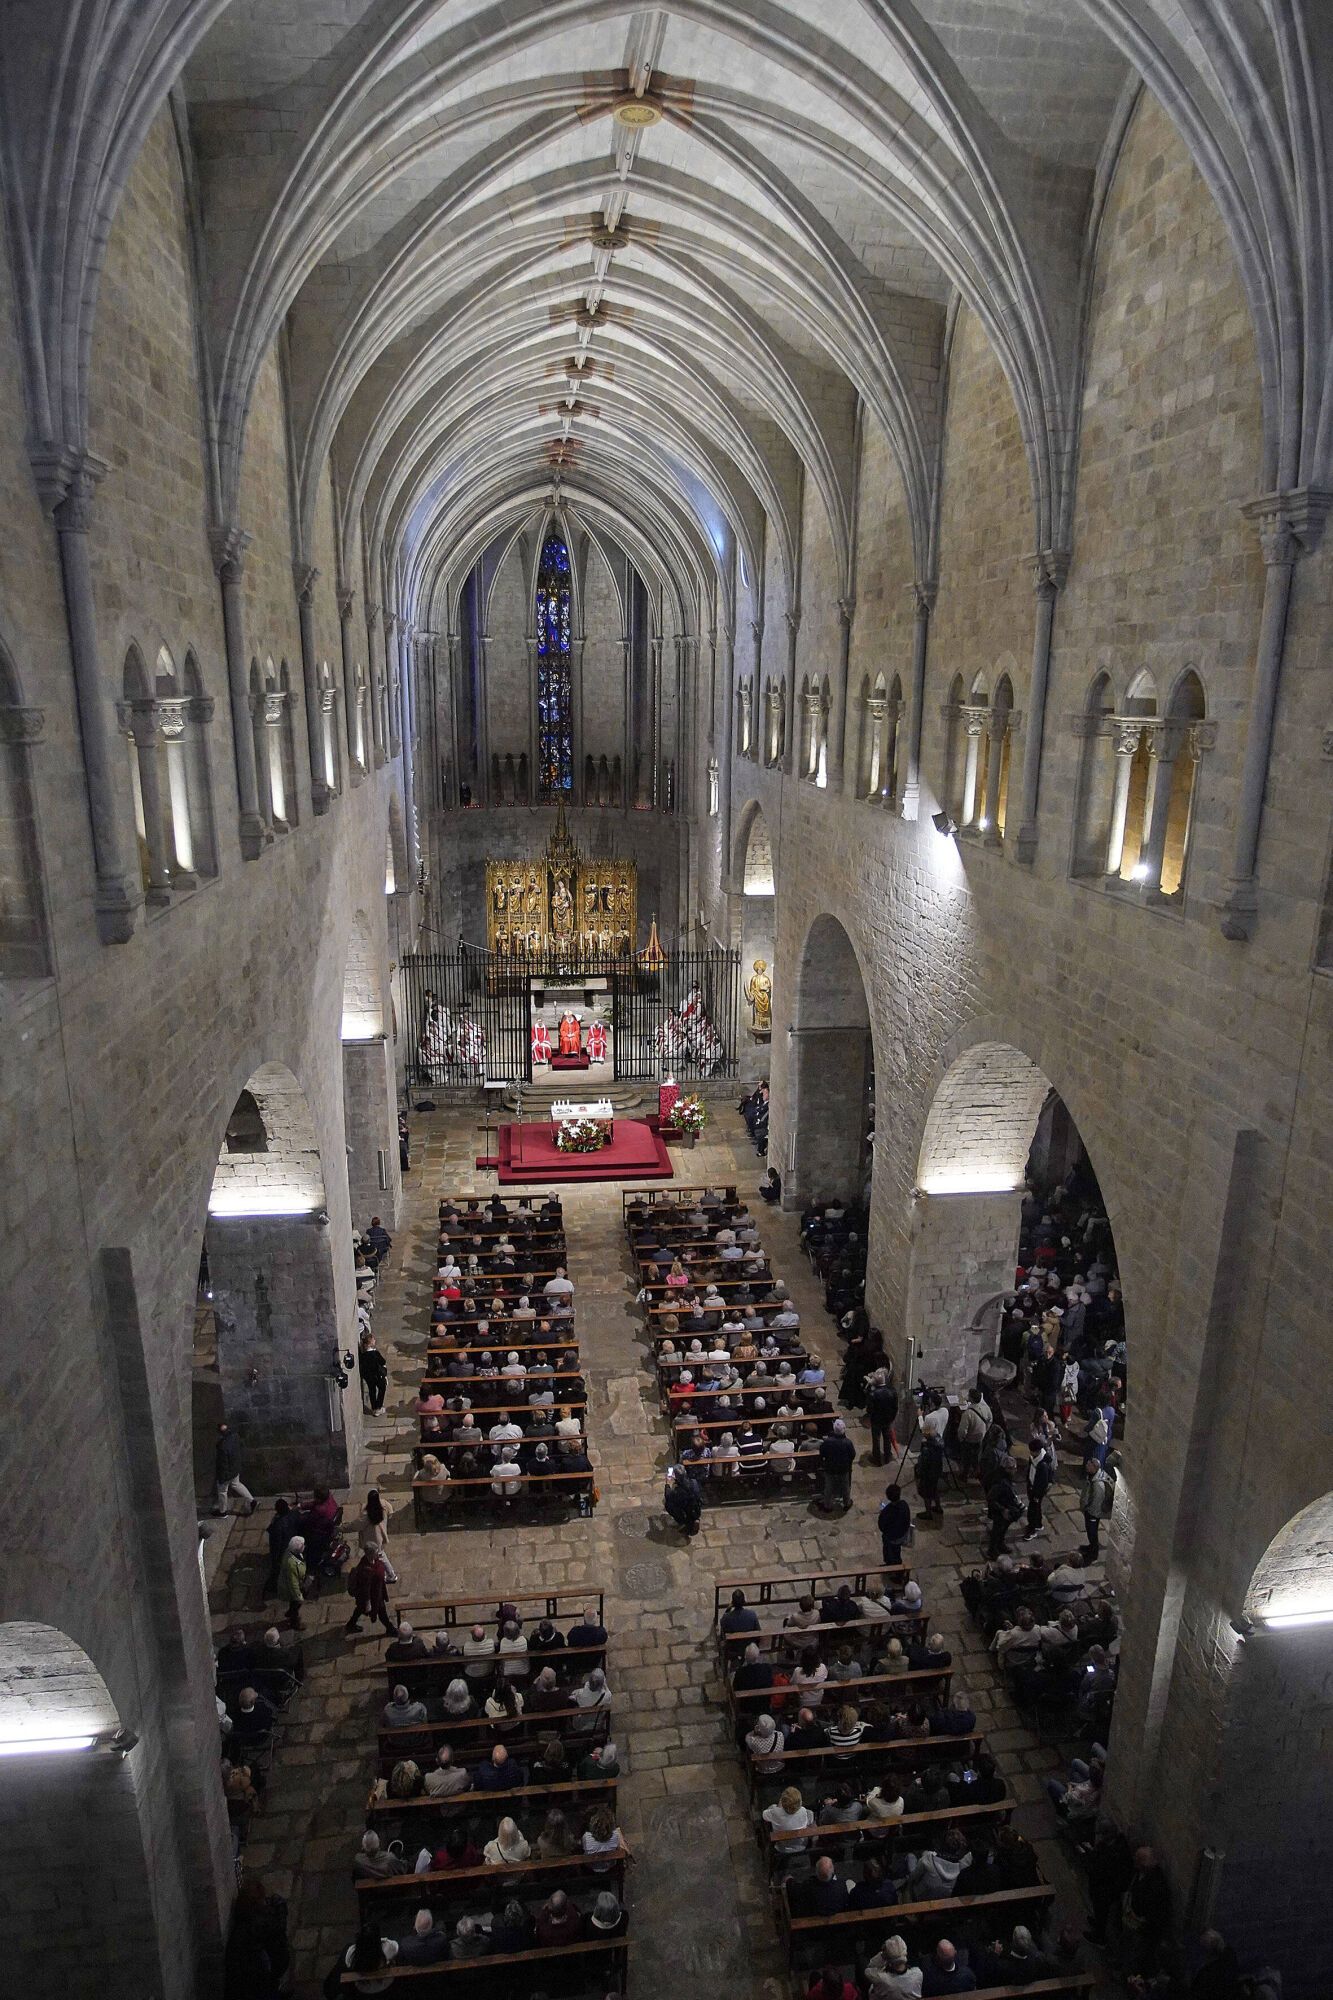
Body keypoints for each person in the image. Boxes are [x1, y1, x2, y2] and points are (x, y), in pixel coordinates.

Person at [224, 1877, 290, 1999]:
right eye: (263, 1899)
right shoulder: (253, 1927)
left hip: (256, 1983)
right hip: (254, 1988)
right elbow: (278, 1927)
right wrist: (280, 1908)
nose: (266, 1902)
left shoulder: (247, 1924)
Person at [345, 1550, 398, 1638]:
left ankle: (351, 1624)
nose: (378, 1554)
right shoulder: (366, 1570)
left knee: (359, 1609)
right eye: (376, 1552)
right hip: (374, 1597)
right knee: (381, 1613)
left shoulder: (372, 1562)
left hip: (377, 1592)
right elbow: (366, 1589)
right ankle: (390, 1629)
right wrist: (368, 1603)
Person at [341, 1925, 399, 1995]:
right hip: (385, 1987)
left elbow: (348, 1961)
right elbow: (395, 1945)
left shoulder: (351, 1954)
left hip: (362, 1989)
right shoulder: (388, 1948)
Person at [864, 1933, 924, 1999]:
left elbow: (869, 1968)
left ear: (887, 1958)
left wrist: (882, 1955)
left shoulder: (880, 1978)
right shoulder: (918, 1974)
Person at [214, 1422, 256, 1516]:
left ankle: (223, 1512)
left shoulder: (223, 1447)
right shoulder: (235, 1436)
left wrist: (221, 1477)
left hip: (227, 1472)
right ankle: (252, 1501)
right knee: (237, 1484)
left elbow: (223, 1464)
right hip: (235, 1467)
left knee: (222, 1491)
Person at [819, 1418, 856, 1512]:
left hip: (830, 1468)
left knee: (829, 1487)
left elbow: (822, 1453)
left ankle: (827, 1505)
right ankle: (846, 1503)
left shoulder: (827, 1442)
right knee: (845, 1486)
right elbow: (852, 1455)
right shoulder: (848, 1442)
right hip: (843, 1468)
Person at [1081, 1456, 1111, 1559]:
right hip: (1090, 1511)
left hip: (1093, 1513)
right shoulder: (1091, 1476)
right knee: (1090, 1532)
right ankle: (1091, 1547)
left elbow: (1096, 1502)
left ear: (1094, 1468)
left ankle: (1093, 1554)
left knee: (1092, 1532)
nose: (1086, 1465)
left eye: (1088, 1465)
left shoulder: (1098, 1485)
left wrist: (1088, 1511)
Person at [664, 1463, 703, 1537]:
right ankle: (695, 1519)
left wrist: (667, 1484)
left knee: (668, 1504)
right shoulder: (694, 1482)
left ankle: (682, 1521)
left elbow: (668, 1496)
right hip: (696, 1509)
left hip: (686, 1511)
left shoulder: (678, 1491)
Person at [277, 1535, 306, 1631]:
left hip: (293, 1583)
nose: (304, 1546)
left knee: (294, 1604)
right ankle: (294, 1623)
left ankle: (290, 1612)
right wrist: (298, 1597)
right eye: (303, 1545)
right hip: (291, 1589)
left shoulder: (291, 1552)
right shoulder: (291, 1564)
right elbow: (293, 1583)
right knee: (296, 1604)